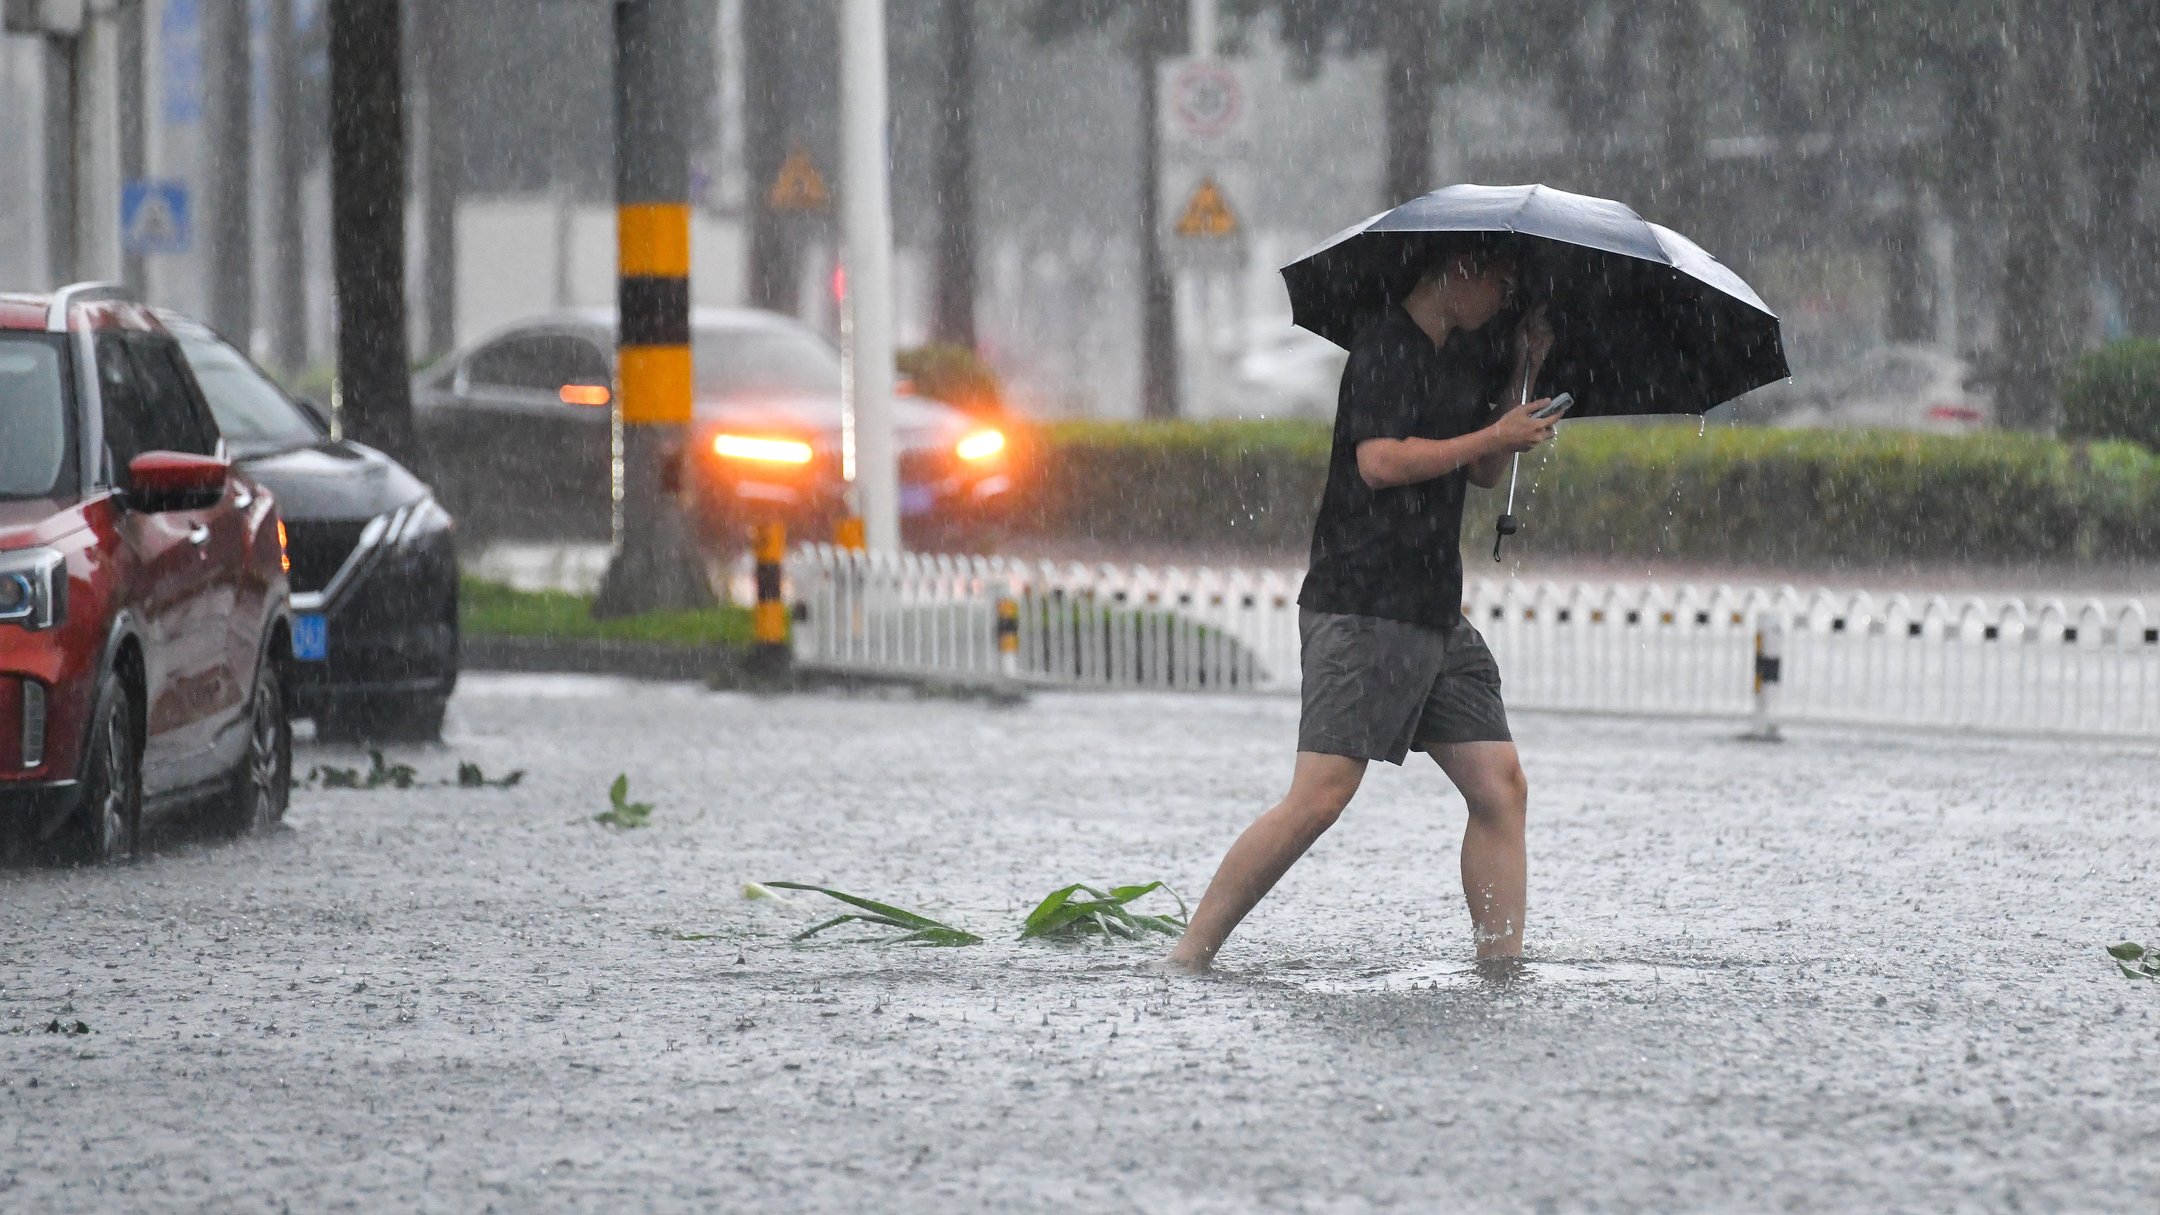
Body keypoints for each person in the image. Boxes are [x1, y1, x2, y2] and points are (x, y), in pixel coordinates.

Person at [1163, 241, 1555, 972]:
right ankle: (1189, 952)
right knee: (1319, 796)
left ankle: (1500, 967)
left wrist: (1516, 387)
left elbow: (1481, 468)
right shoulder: (1386, 346)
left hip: (1433, 606)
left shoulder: (1466, 355)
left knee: (1500, 783)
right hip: (1362, 600)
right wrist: (1492, 433)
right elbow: (1379, 462)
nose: (1506, 300)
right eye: (1502, 284)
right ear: (1457, 269)